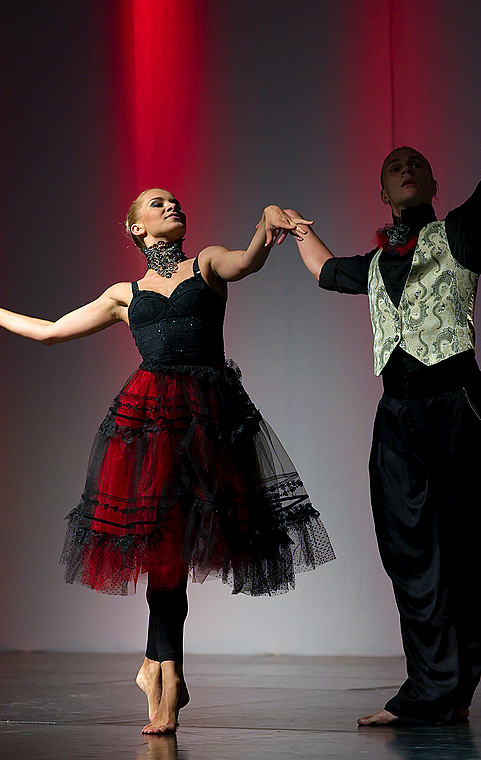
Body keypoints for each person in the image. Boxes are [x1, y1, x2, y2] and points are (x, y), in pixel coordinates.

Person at [287, 34, 481, 725]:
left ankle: (450, 692)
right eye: (394, 165)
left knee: (460, 549)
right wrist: (292, 228)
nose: (405, 168)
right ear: (380, 189)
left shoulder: (460, 233)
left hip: (455, 404)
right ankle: (424, 688)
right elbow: (326, 271)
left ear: (432, 183)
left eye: (416, 163)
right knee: (407, 552)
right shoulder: (373, 263)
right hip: (398, 418)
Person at [0, 194, 335, 734]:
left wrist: (266, 221)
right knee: (164, 548)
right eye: (158, 204)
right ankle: (167, 676)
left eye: (176, 201)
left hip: (208, 423)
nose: (172, 205)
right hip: (150, 428)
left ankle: (159, 671)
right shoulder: (122, 295)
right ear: (136, 227)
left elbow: (246, 262)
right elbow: (48, 330)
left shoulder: (205, 263)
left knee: (177, 546)